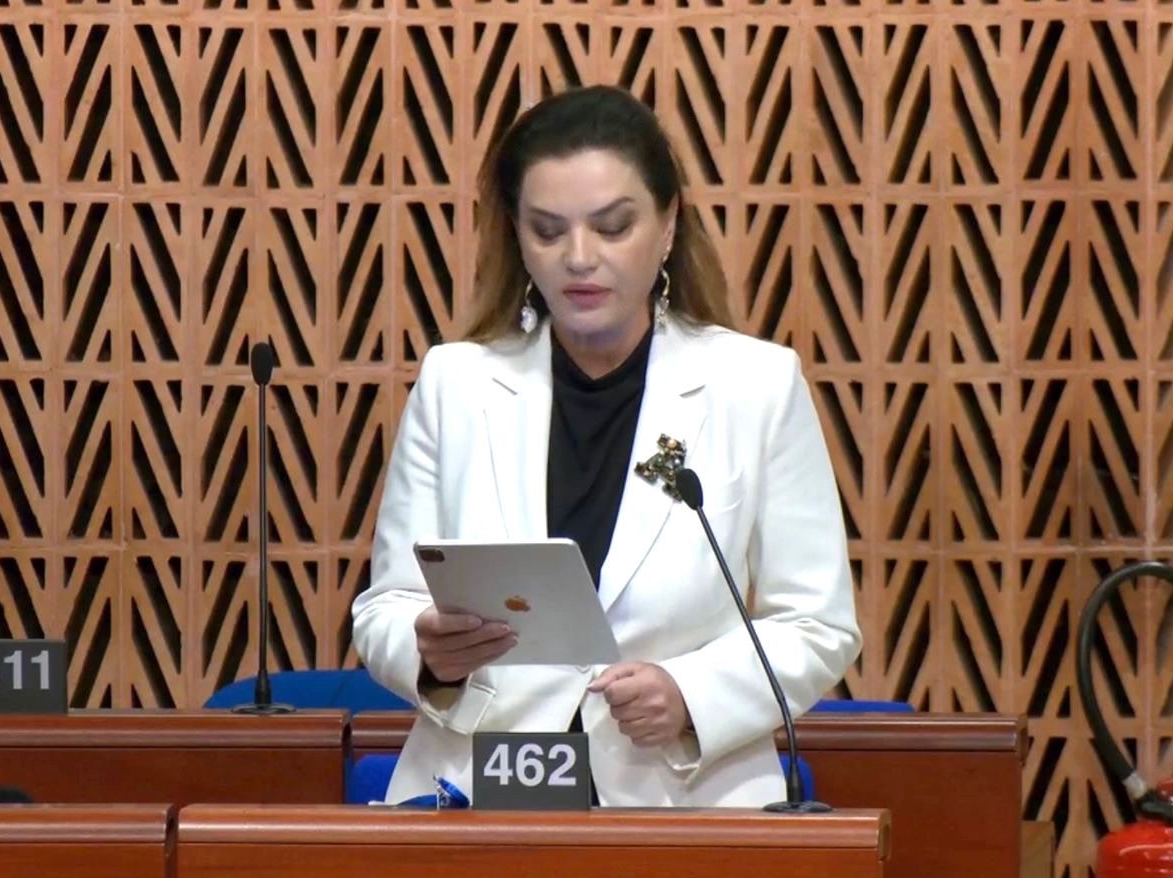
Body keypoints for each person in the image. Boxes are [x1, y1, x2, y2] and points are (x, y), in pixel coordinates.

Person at [351, 84, 859, 807]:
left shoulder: (756, 386)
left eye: (613, 227)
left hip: (682, 799)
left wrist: (691, 693)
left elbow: (817, 622)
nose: (579, 257)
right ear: (517, 235)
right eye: (548, 231)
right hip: (485, 793)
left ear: (668, 225)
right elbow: (386, 608)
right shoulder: (455, 385)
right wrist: (429, 653)